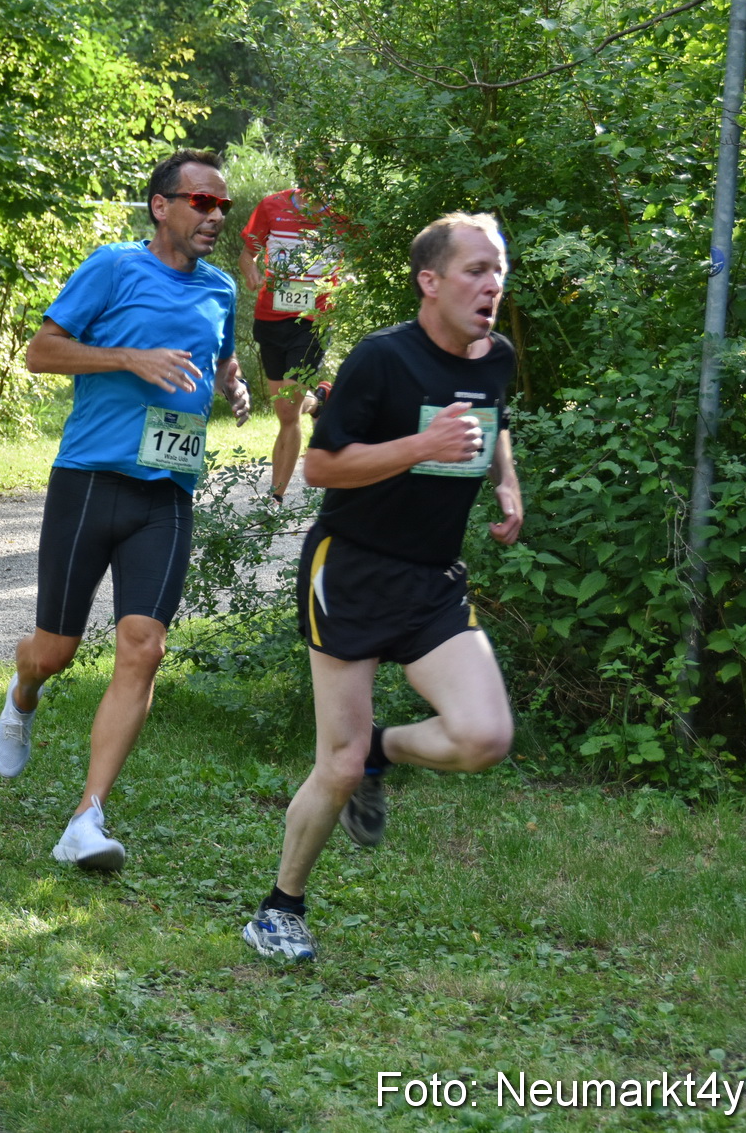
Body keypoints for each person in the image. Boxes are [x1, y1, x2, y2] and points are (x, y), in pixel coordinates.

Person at [241, 212, 524, 960]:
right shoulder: (381, 359)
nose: (492, 285)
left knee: (485, 737)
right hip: (352, 569)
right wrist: (421, 446)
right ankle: (278, 910)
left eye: (498, 271)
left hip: (433, 577)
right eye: (476, 270)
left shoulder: (495, 356)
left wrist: (506, 482)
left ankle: (381, 751)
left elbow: (492, 418)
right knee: (333, 764)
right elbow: (321, 467)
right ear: (430, 281)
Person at [0, 149, 252, 871]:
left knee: (144, 645)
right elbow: (42, 352)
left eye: (222, 206)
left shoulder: (221, 288)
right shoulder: (112, 266)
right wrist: (130, 357)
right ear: (161, 205)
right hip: (90, 479)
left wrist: (231, 385)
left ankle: (87, 816)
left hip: (167, 491)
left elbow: (218, 358)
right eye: (202, 201)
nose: (215, 216)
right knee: (56, 651)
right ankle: (24, 690)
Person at [238, 185, 346, 505]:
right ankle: (319, 402)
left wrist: (349, 284)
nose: (318, 176)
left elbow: (368, 252)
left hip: (313, 321)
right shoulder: (272, 206)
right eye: (310, 167)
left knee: (287, 411)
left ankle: (276, 498)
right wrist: (251, 272)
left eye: (325, 169)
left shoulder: (343, 212)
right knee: (284, 406)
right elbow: (247, 255)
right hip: (270, 319)